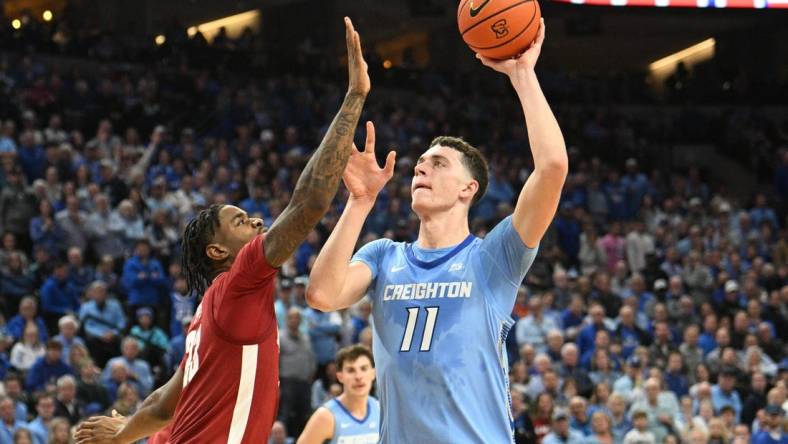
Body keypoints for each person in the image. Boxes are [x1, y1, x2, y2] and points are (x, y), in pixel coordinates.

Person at [74, 17, 371, 444]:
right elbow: (309, 202)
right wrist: (354, 98)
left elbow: (163, 405)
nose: (254, 220)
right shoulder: (239, 282)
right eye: (239, 220)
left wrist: (123, 433)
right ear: (217, 251)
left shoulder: (204, 317)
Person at [307, 19, 567, 443]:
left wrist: (523, 76)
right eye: (421, 163)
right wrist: (359, 203)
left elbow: (553, 168)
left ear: (469, 188)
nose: (422, 167)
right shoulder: (383, 256)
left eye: (439, 163)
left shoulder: (493, 258)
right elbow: (321, 295)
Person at [296, 345, 379, 444]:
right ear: (340, 377)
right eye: (351, 370)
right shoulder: (325, 416)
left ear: (373, 373)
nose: (358, 376)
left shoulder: (381, 411)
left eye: (364, 369)